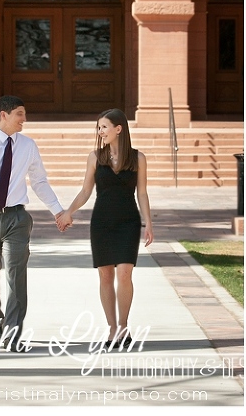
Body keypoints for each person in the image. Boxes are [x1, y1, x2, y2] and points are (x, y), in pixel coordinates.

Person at [0, 95, 65, 351]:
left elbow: (39, 181)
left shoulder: (28, 146)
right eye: (20, 113)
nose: (24, 119)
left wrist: (57, 210)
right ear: (4, 115)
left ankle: (13, 332)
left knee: (16, 275)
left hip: (17, 218)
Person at [56, 108, 153, 350]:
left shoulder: (138, 158)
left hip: (128, 222)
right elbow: (86, 191)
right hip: (101, 223)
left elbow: (142, 193)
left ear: (118, 129)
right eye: (98, 127)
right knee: (105, 275)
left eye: (104, 127)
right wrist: (69, 212)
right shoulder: (95, 157)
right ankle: (112, 328)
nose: (100, 132)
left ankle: (124, 326)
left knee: (125, 274)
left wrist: (149, 223)